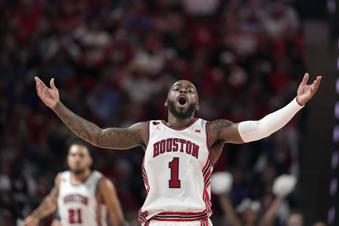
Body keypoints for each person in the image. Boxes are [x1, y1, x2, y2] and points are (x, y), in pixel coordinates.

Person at [34, 73, 321, 226]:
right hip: (157, 220)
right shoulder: (147, 130)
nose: (183, 91)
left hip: (195, 221)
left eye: (190, 90)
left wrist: (296, 103)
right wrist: (57, 107)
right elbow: (97, 136)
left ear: (195, 104)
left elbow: (260, 128)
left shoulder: (211, 131)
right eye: (177, 88)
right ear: (167, 100)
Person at [23, 142, 126, 226]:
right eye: (73, 155)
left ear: (90, 160)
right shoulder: (61, 179)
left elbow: (117, 220)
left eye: (81, 155)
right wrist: (35, 216)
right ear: (68, 159)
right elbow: (51, 201)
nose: (77, 159)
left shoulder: (101, 183)